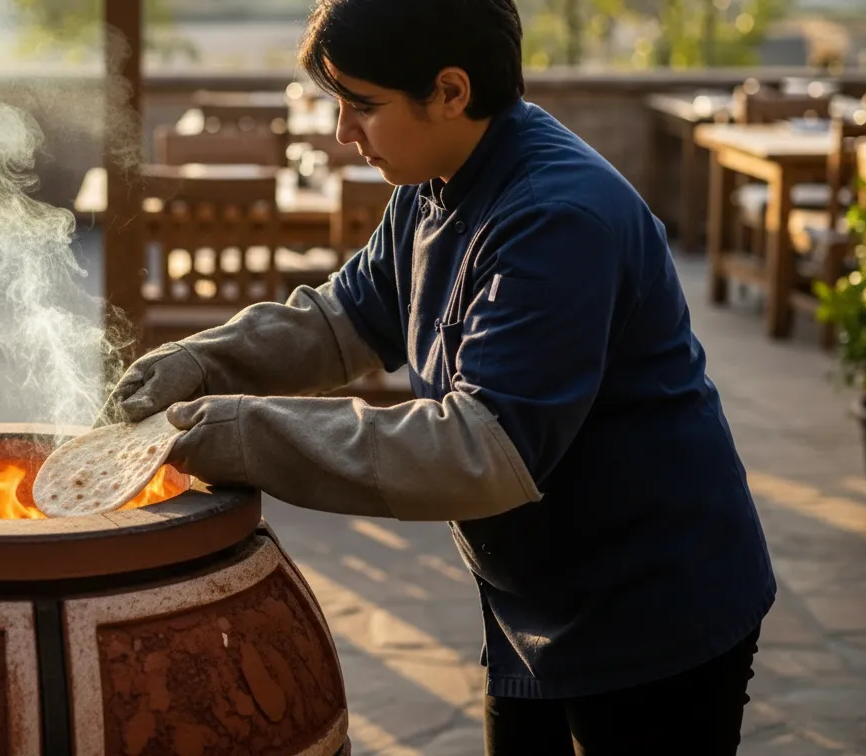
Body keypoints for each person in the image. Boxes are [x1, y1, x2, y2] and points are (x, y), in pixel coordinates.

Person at [99, 1, 775, 753]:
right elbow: (343, 319)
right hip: (539, 596)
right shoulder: (433, 185)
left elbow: (481, 452)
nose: (342, 132)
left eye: (362, 106)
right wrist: (204, 362)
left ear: (451, 91)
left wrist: (244, 433)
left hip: (649, 603)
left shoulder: (557, 219)